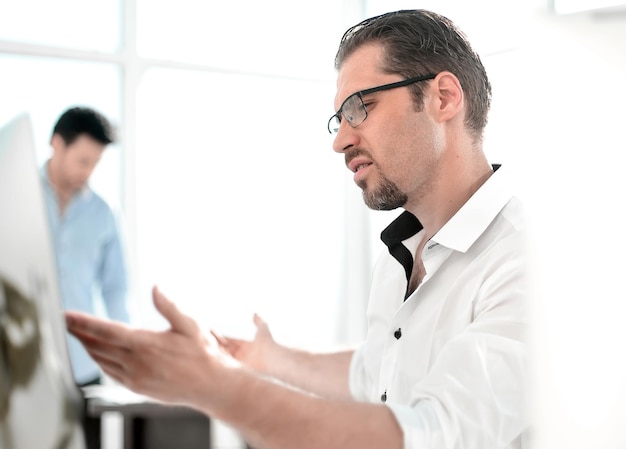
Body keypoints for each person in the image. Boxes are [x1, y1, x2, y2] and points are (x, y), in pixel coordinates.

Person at [65, 9, 533, 449]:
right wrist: (271, 361)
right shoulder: (400, 256)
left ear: (443, 98)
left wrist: (216, 387)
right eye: (339, 117)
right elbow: (375, 372)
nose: (340, 139)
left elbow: (432, 433)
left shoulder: (528, 256)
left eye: (359, 107)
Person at [42, 106, 130, 387]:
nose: (88, 171)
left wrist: (128, 348)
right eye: (82, 161)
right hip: (20, 362)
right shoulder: (14, 196)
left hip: (82, 364)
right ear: (57, 144)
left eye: (95, 162)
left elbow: (116, 287)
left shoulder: (104, 213)